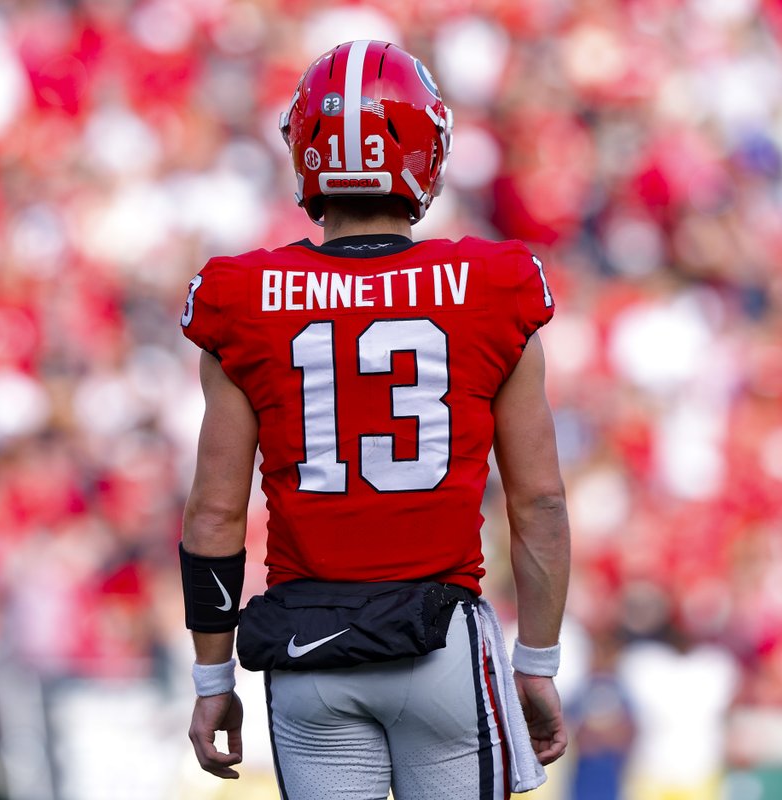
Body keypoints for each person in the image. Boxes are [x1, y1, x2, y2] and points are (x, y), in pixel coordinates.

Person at [179, 40, 570, 799]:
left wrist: (211, 673)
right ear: (428, 150)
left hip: (307, 650)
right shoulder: (493, 286)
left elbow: (214, 515)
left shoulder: (243, 296)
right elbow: (541, 502)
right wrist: (539, 663)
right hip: (442, 647)